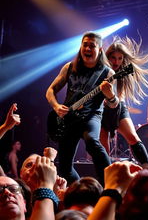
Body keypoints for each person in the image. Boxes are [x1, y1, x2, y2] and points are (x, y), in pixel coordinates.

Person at [46, 31, 119, 185]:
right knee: (65, 168)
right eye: (85, 45)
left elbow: (114, 105)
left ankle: (110, 183)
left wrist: (110, 95)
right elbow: (50, 91)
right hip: (69, 118)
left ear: (99, 50)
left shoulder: (108, 73)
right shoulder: (70, 67)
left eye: (91, 46)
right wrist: (57, 106)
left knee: (92, 141)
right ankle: (83, 191)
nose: (87, 48)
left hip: (91, 116)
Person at [100, 36, 148, 164]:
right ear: (107, 57)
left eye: (119, 58)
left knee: (133, 137)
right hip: (101, 110)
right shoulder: (99, 70)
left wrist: (112, 98)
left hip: (118, 108)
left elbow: (119, 97)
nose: (116, 62)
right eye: (113, 58)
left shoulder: (123, 73)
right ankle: (107, 180)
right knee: (103, 148)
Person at [0, 103, 21, 176]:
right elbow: (14, 169)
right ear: (13, 146)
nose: (20, 145)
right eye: (17, 144)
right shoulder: (13, 154)